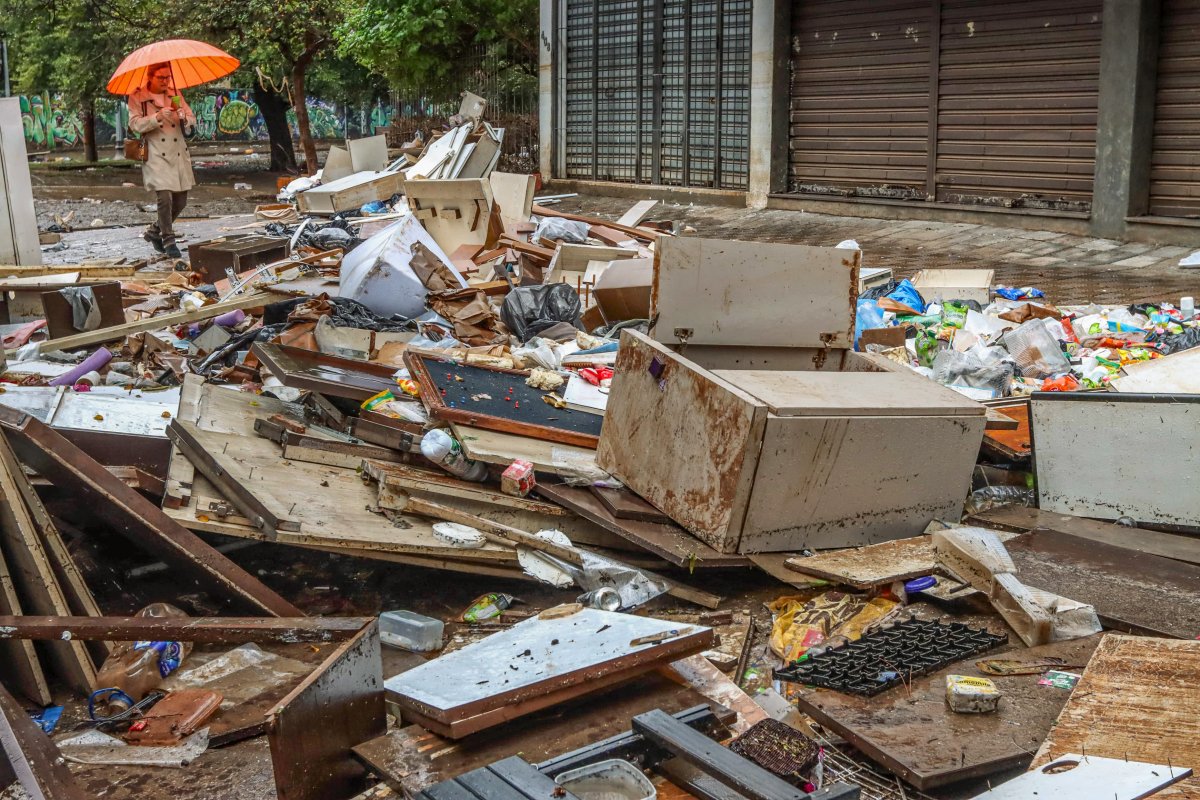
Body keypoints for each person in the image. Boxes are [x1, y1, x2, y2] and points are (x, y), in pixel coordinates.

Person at [128, 63, 196, 259]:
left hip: (177, 152)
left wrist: (185, 117)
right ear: (150, 77)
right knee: (164, 196)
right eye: (161, 78)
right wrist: (156, 117)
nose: (166, 81)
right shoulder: (138, 97)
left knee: (181, 200)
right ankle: (168, 239)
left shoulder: (176, 94)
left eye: (168, 77)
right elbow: (134, 124)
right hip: (156, 152)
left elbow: (191, 117)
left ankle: (153, 231)